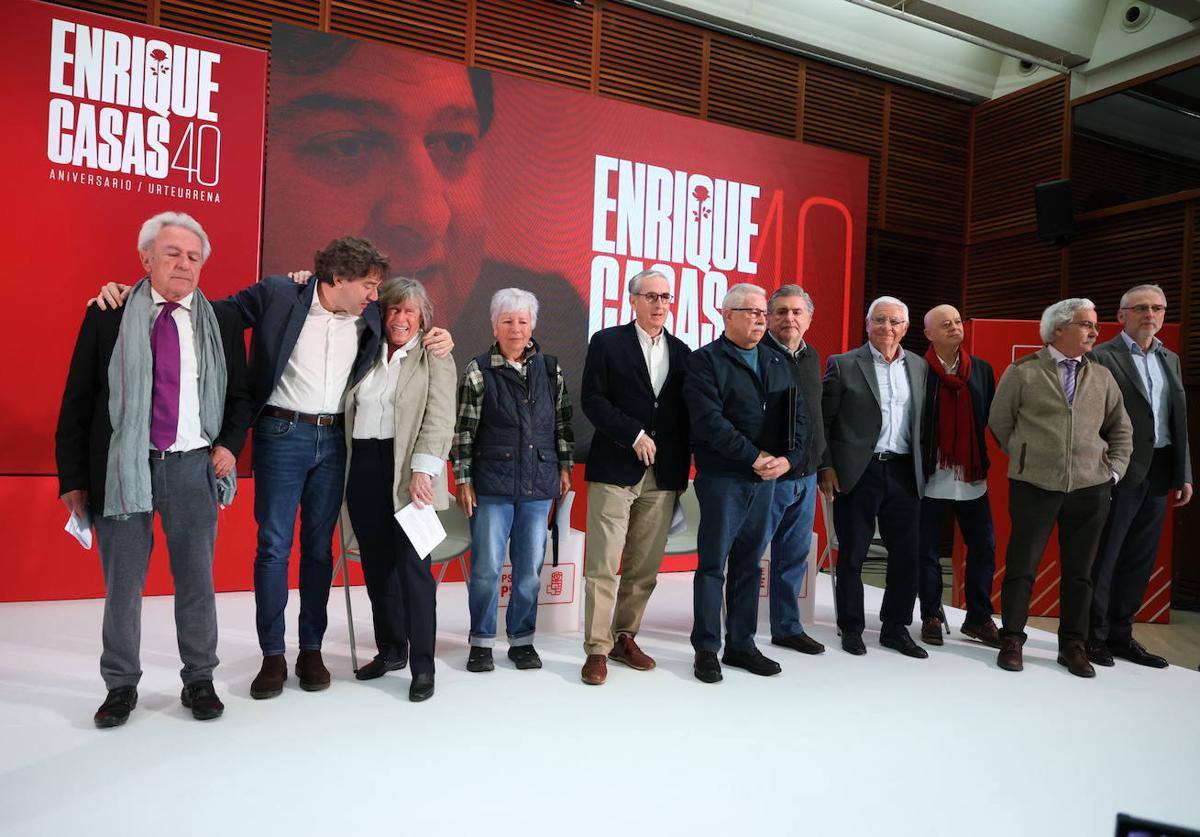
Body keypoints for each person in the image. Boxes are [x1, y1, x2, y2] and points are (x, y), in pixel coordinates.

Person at [91, 239, 453, 699]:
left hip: (335, 442)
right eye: (368, 285)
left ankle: (311, 651)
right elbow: (208, 312)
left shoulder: (371, 317)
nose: (374, 296)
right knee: (273, 547)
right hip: (281, 436)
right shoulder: (280, 294)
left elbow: (413, 336)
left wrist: (441, 336)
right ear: (337, 279)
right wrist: (134, 294)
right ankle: (272, 657)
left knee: (319, 551)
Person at [264, 25, 591, 455]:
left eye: (453, 143)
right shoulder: (260, 308)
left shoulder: (556, 318)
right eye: (348, 147)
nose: (427, 215)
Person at [56, 211, 252, 727]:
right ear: (146, 258)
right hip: (123, 470)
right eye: (172, 253)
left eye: (193, 256)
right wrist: (74, 480)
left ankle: (199, 680)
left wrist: (230, 445)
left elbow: (240, 397)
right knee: (123, 586)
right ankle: (120, 686)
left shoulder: (223, 321)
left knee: (197, 582)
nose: (184, 264)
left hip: (193, 469)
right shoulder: (109, 313)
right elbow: (78, 400)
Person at [989, 298, 1133, 678]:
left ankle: (1072, 645)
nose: (1094, 332)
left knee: (1080, 572)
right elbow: (1000, 421)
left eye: (1095, 325)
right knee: (1022, 568)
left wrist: (1113, 471)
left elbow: (1121, 428)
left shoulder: (1102, 376)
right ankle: (1013, 639)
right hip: (1034, 486)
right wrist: (1025, 457)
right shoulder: (1022, 372)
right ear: (1058, 329)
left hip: (1091, 488)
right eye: (1086, 324)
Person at [684, 283, 808, 683]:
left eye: (762, 313)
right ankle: (706, 648)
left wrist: (786, 460)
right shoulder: (705, 361)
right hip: (724, 477)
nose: (760, 319)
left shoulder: (776, 361)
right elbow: (709, 422)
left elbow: (798, 418)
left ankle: (741, 643)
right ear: (727, 315)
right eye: (751, 312)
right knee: (712, 565)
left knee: (749, 565)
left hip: (767, 480)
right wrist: (754, 457)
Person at [340, 277, 456, 701]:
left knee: (414, 572)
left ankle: (423, 666)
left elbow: (440, 417)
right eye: (393, 309)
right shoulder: (366, 351)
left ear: (423, 317)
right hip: (365, 469)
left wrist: (424, 471)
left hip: (410, 474)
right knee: (377, 567)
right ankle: (391, 650)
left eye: (409, 311)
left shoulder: (435, 355)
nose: (400, 318)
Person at [451, 288, 574, 673]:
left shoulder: (550, 369)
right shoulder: (477, 369)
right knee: (486, 569)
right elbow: (463, 432)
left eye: (522, 321)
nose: (515, 329)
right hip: (491, 485)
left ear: (532, 325)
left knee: (528, 570)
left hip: (539, 483)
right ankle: (482, 642)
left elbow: (563, 424)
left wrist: (565, 467)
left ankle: (522, 640)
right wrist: (463, 480)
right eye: (507, 321)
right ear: (494, 325)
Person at [578, 269, 691, 685]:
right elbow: (592, 399)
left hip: (662, 476)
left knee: (643, 568)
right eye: (651, 296)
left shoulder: (683, 352)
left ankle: (625, 637)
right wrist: (633, 434)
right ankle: (596, 649)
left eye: (665, 297)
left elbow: (682, 416)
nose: (660, 304)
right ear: (633, 300)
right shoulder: (606, 342)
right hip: (615, 469)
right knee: (604, 565)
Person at [1086, 284, 1191, 669]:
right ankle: (1092, 637)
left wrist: (1184, 472)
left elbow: (1176, 421)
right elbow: (1091, 421)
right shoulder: (1101, 357)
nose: (1151, 315)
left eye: (1158, 308)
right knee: (1105, 556)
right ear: (1122, 315)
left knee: (1139, 558)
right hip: (1118, 471)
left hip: (1161, 469)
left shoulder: (1171, 359)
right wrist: (1103, 470)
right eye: (1142, 308)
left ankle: (1121, 635)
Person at [819, 296, 928, 658]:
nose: (887, 327)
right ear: (867, 325)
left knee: (906, 555)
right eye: (879, 320)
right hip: (858, 472)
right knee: (853, 553)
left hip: (903, 472)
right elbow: (825, 421)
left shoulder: (918, 366)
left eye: (894, 321)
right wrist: (827, 467)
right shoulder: (844, 364)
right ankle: (850, 627)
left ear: (905, 328)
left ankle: (896, 628)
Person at [917, 304, 1000, 648]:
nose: (954, 327)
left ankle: (979, 618)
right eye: (945, 324)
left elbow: (990, 417)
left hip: (971, 474)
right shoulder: (918, 370)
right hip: (931, 473)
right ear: (929, 334)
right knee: (928, 550)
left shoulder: (981, 370)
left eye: (956, 322)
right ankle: (931, 615)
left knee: (984, 547)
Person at [760, 284, 826, 656]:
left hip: (806, 476)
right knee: (750, 555)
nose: (789, 318)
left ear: (809, 318)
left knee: (793, 559)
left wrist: (822, 463)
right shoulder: (758, 354)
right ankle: (734, 628)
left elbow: (816, 418)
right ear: (769, 317)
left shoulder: (812, 356)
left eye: (797, 312)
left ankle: (786, 627)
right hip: (769, 476)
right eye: (781, 311)